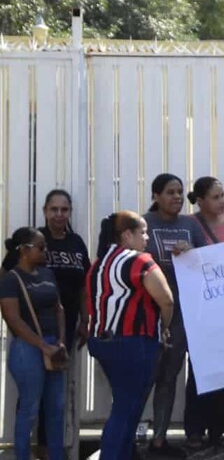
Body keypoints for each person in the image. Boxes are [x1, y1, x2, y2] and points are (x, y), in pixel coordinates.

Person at [86, 212, 175, 460]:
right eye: (143, 232)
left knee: (126, 405)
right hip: (133, 342)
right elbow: (166, 300)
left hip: (102, 341)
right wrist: (164, 328)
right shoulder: (139, 261)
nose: (147, 238)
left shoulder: (98, 263)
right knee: (126, 409)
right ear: (127, 234)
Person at [143, 173, 206, 458]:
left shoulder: (189, 226)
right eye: (170, 192)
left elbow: (208, 262)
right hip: (146, 315)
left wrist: (192, 253)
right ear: (156, 196)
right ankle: (128, 436)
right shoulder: (144, 225)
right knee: (142, 378)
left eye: (180, 192)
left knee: (169, 377)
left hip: (181, 315)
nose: (177, 197)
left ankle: (159, 440)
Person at [183, 177, 224, 451]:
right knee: (199, 370)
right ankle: (195, 429)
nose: (222, 201)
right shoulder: (189, 225)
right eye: (216, 197)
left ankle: (219, 429)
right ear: (200, 200)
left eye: (223, 195)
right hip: (200, 308)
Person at [0, 228, 67, 460]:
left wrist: (60, 340)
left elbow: (58, 309)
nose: (45, 251)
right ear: (24, 251)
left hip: (52, 345)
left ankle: (56, 455)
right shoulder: (11, 279)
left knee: (56, 408)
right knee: (30, 407)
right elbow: (14, 320)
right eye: (40, 247)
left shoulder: (47, 273)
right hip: (27, 348)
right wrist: (42, 345)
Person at [33, 190, 90, 459]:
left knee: (56, 388)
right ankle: (38, 445)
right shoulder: (34, 240)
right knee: (35, 387)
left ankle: (51, 447)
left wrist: (86, 318)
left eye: (64, 210)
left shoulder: (77, 243)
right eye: (54, 209)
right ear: (45, 211)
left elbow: (84, 285)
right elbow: (10, 273)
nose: (59, 215)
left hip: (66, 326)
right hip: (36, 326)